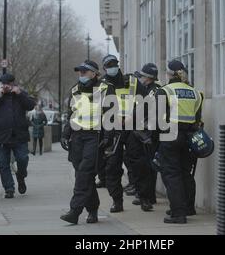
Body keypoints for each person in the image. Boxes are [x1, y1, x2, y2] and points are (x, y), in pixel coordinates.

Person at [60, 60, 115, 225]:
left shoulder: (105, 88)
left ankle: (74, 211)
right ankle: (93, 210)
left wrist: (108, 137)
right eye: (80, 72)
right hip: (77, 137)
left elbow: (110, 115)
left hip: (95, 136)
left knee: (84, 172)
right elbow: (71, 113)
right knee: (83, 175)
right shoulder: (75, 89)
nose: (81, 75)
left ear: (94, 73)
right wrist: (65, 134)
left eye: (84, 72)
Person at [155, 60, 203, 224]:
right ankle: (188, 207)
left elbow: (158, 120)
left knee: (172, 174)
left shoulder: (164, 91)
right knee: (185, 173)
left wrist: (155, 143)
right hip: (189, 137)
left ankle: (178, 213)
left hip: (170, 135)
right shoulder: (195, 92)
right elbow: (197, 120)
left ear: (169, 74)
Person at [100, 54, 146, 213]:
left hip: (132, 128)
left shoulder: (131, 81)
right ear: (104, 68)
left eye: (114, 64)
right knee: (112, 167)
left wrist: (134, 116)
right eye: (108, 65)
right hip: (113, 130)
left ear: (118, 65)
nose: (112, 67)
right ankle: (117, 201)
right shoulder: (101, 85)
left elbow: (146, 102)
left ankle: (144, 198)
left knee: (138, 164)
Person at [0, 73, 36, 199]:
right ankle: (9, 188)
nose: (6, 86)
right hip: (2, 136)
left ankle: (21, 176)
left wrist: (20, 94)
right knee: (3, 164)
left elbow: (30, 105)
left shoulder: (20, 94)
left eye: (8, 84)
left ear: (13, 83)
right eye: (3, 84)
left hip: (19, 135)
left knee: (23, 158)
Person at [127, 63, 161, 212]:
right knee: (142, 165)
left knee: (146, 166)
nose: (140, 78)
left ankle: (147, 197)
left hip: (147, 133)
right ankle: (145, 195)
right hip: (141, 131)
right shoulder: (147, 89)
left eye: (142, 76)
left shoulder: (154, 91)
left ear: (148, 78)